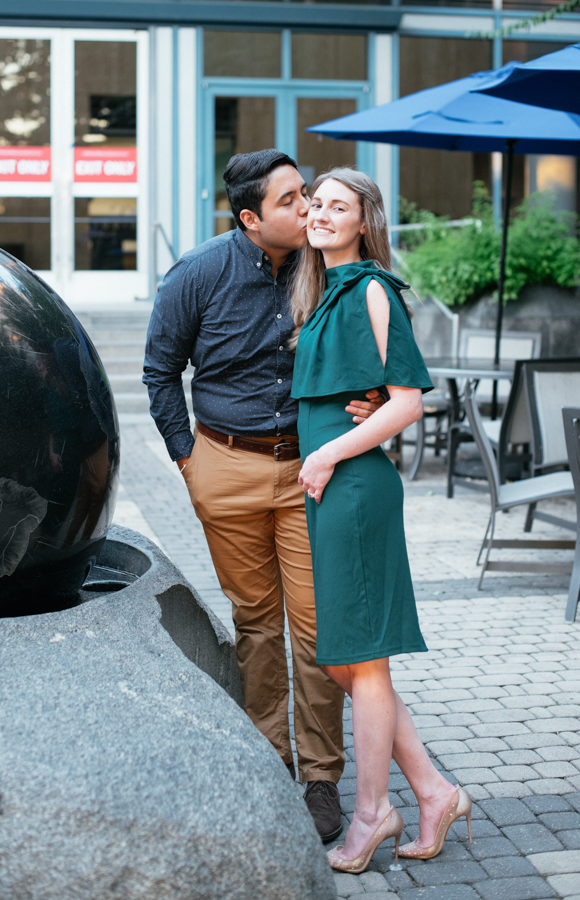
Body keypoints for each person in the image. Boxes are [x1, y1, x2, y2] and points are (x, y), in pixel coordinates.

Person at [143, 150, 384, 843]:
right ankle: (268, 758)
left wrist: (371, 405)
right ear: (250, 218)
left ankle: (322, 778)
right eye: (289, 200)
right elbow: (160, 370)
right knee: (254, 620)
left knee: (316, 629)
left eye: (307, 193)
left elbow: (369, 355)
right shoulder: (197, 273)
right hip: (226, 465)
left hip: (312, 470)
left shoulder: (327, 268)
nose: (307, 207)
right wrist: (188, 460)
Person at [291, 167, 472, 873]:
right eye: (316, 205)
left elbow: (405, 403)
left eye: (338, 207)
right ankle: (431, 790)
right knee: (342, 657)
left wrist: (327, 453)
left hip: (351, 487)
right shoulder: (323, 292)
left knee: (361, 661)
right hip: (331, 484)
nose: (321, 215)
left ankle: (372, 814)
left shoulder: (369, 289)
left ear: (364, 221)